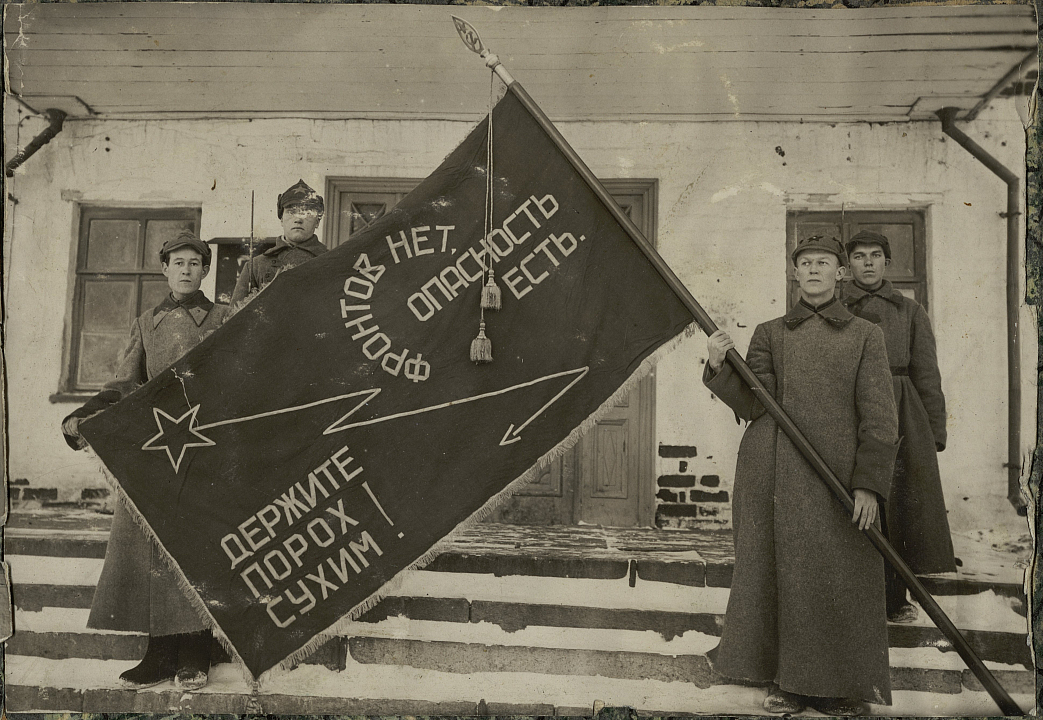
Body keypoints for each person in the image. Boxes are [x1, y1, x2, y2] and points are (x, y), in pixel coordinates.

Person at [704, 235, 899, 716]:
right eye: (805, 263)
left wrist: (869, 485)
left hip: (839, 480)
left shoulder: (865, 334)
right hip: (773, 475)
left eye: (824, 263)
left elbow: (880, 418)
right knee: (782, 577)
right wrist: (715, 364)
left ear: (841, 274)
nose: (814, 270)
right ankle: (787, 684)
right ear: (795, 274)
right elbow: (754, 403)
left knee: (841, 578)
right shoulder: (770, 333)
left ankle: (845, 688)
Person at [62, 232, 228, 691]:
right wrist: (85, 415)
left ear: (205, 270)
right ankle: (159, 654)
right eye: (178, 262)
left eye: (195, 262)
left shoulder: (224, 319)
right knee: (150, 550)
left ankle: (196, 653)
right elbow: (121, 384)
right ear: (165, 269)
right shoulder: (145, 323)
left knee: (195, 549)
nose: (186, 270)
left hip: (205, 452)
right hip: (156, 453)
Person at [842, 229, 955, 623]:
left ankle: (896, 598)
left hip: (903, 411)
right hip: (850, 409)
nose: (868, 263)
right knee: (852, 502)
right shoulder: (836, 307)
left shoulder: (910, 311)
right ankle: (855, 596)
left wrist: (934, 430)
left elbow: (927, 373)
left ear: (887, 263)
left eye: (876, 255)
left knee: (897, 509)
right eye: (859, 256)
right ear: (848, 264)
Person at [229, 179, 327, 305]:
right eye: (291, 212)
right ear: (281, 219)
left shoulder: (329, 261)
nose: (298, 219)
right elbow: (235, 318)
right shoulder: (256, 266)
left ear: (317, 221)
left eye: (307, 213)